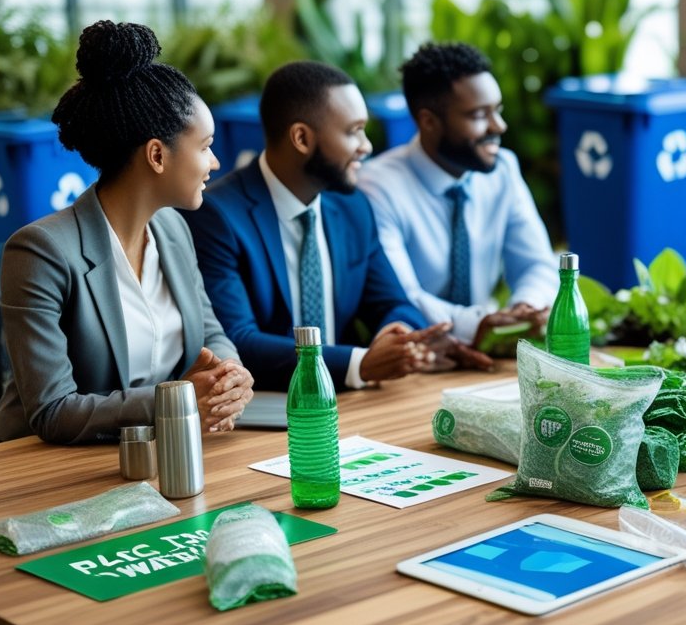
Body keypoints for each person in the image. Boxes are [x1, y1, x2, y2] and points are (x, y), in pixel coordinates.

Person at [0, 20, 254, 445]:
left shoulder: (173, 229)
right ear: (156, 156)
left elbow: (211, 331)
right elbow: (54, 412)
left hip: (153, 454)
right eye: (205, 147)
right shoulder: (41, 251)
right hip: (38, 471)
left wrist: (229, 375)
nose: (215, 162)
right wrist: (178, 399)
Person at [183, 60, 491, 392]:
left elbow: (393, 303)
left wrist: (395, 336)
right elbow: (237, 340)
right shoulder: (217, 215)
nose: (366, 145)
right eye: (353, 130)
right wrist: (359, 363)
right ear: (301, 138)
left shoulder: (353, 206)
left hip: (352, 402)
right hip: (268, 410)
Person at [359, 42, 557, 349]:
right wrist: (477, 325)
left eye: (498, 110)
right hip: (417, 354)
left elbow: (537, 264)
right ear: (428, 121)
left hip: (489, 350)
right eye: (479, 115)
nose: (499, 126)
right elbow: (401, 296)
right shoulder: (377, 188)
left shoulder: (503, 169)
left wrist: (524, 310)